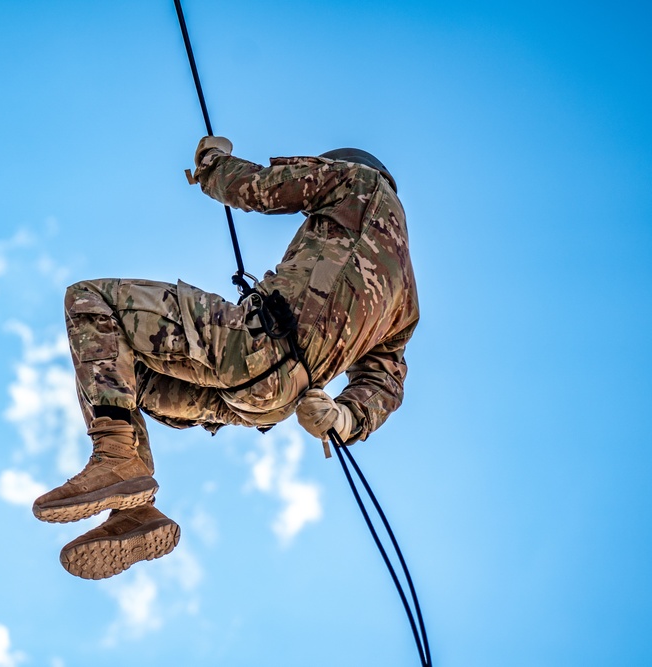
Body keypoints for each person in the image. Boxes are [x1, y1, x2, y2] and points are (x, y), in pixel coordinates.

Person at [32, 136, 419, 580]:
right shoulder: (405, 295)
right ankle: (135, 509)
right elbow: (385, 381)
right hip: (269, 402)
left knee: (91, 301)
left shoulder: (360, 182)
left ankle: (116, 454)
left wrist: (214, 165)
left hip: (252, 346)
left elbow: (263, 186)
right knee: (123, 372)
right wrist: (344, 419)